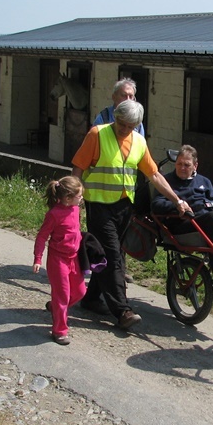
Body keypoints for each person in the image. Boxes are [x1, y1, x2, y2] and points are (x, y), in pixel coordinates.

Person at [71, 99, 191, 329]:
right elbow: (78, 168)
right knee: (114, 255)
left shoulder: (139, 141)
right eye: (121, 123)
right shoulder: (97, 134)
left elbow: (154, 175)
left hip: (125, 207)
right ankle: (123, 311)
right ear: (115, 117)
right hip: (98, 204)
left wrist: (176, 200)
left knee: (107, 254)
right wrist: (71, 201)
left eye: (130, 126)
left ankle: (91, 298)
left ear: (137, 125)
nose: (124, 129)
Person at [151, 145, 213, 287]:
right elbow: (156, 205)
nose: (182, 168)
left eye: (187, 165)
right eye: (179, 164)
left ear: (195, 166)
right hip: (182, 224)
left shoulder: (204, 181)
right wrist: (178, 205)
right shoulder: (167, 182)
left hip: (206, 222)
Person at [92, 77, 143, 287]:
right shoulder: (102, 119)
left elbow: (140, 149)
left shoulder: (137, 120)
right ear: (114, 97)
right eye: (124, 95)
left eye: (131, 95)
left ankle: (115, 270)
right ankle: (117, 294)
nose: (128, 98)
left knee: (122, 233)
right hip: (100, 191)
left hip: (126, 188)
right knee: (105, 238)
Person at [33, 176, 86, 346]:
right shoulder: (54, 214)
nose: (82, 198)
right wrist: (38, 258)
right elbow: (42, 237)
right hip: (58, 260)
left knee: (80, 292)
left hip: (73, 259)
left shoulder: (76, 210)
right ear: (68, 198)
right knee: (62, 296)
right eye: (79, 196)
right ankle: (60, 331)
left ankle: (56, 307)